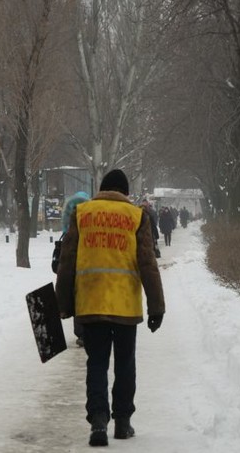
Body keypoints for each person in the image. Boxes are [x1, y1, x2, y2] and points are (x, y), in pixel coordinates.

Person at [56, 169, 165, 447]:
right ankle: (123, 422)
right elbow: (147, 263)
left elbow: (68, 260)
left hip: (91, 303)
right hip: (125, 305)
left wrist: (63, 304)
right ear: (125, 192)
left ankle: (98, 422)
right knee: (125, 363)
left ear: (102, 189)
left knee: (97, 363)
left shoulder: (82, 213)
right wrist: (156, 307)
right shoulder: (136, 216)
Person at [60, 191, 90, 347]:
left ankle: (81, 333)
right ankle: (87, 332)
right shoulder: (89, 219)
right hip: (87, 267)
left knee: (76, 298)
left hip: (73, 268)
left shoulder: (69, 215)